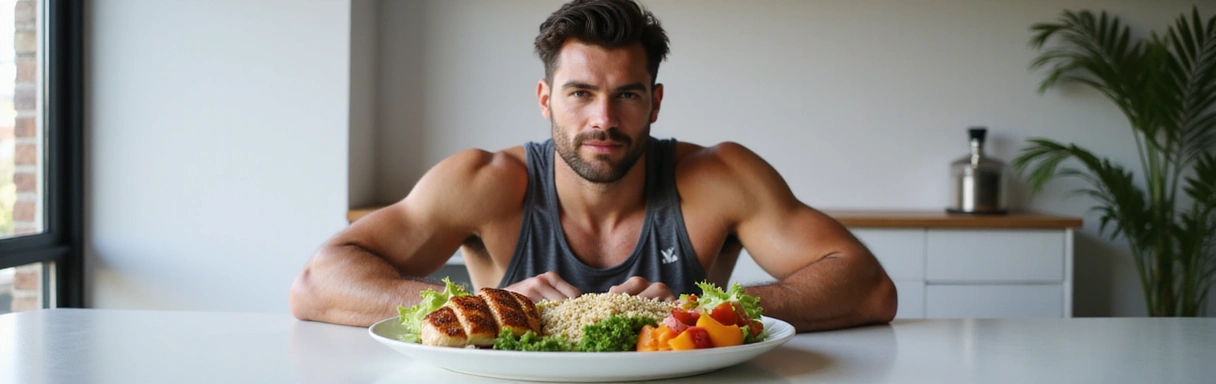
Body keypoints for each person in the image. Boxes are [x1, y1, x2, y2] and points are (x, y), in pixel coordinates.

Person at [289, 0, 896, 332]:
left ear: (655, 102)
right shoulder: (484, 182)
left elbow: (868, 287)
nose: (603, 119)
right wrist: (476, 308)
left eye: (627, 95)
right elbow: (319, 283)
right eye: (580, 93)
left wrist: (715, 311)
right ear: (545, 99)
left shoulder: (719, 178)